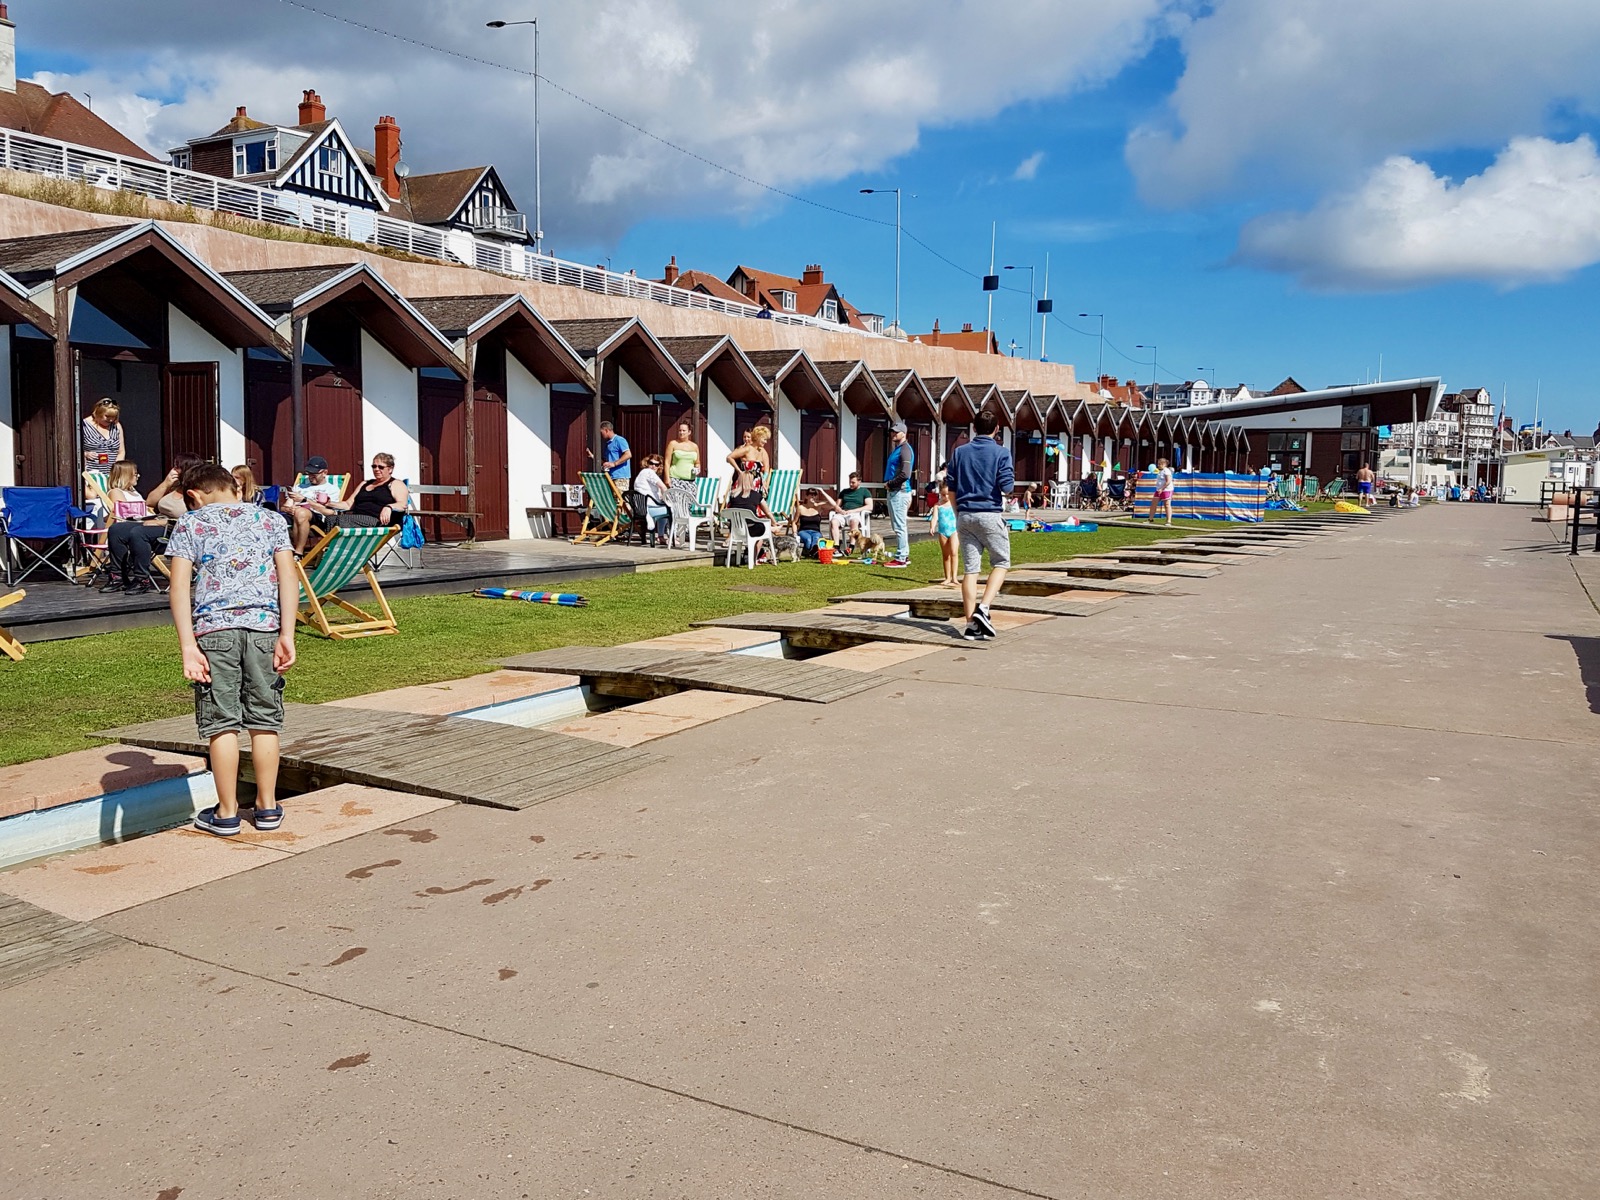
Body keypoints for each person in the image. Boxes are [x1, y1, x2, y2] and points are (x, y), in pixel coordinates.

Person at [165, 462, 297, 838]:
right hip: (264, 630)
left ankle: (226, 813)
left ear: (193, 495)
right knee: (264, 720)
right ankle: (267, 807)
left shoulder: (190, 523)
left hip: (214, 632)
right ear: (234, 488)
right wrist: (287, 633)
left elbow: (179, 588)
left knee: (222, 723)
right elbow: (288, 577)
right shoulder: (271, 519)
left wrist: (188, 646)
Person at [947, 408, 1014, 641]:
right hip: (989, 514)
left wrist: (958, 514)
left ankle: (970, 625)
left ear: (974, 428)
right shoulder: (1001, 452)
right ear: (997, 429)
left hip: (964, 515)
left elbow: (951, 488)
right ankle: (983, 609)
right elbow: (1007, 487)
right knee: (1002, 561)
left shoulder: (959, 452)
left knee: (970, 570)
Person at [100, 460, 183, 594]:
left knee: (138, 532)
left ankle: (141, 579)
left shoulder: (194, 490)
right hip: (140, 521)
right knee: (116, 529)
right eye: (135, 474)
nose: (138, 476)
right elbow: (132, 509)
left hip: (165, 525)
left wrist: (157, 519)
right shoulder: (118, 492)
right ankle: (117, 576)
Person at [329, 452, 409, 527]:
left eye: (381, 467)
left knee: (342, 520)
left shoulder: (395, 484)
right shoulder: (365, 483)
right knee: (329, 519)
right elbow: (348, 504)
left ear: (390, 469)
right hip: (356, 519)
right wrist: (328, 503)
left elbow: (402, 504)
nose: (376, 469)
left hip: (377, 521)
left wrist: (389, 507)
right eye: (374, 466)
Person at [282, 456, 343, 553]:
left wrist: (305, 500)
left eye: (314, 474)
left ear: (324, 473)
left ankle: (298, 552)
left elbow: (330, 512)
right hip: (293, 516)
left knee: (301, 512)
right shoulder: (300, 487)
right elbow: (285, 507)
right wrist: (289, 509)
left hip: (316, 519)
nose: (310, 477)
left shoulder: (332, 489)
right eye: (308, 473)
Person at [884, 420, 915, 567]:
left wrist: (890, 484)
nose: (893, 434)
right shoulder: (898, 449)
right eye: (892, 432)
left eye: (896, 432)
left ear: (904, 433)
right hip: (896, 492)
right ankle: (904, 555)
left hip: (899, 492)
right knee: (899, 525)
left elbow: (905, 474)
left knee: (899, 527)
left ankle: (901, 557)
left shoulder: (905, 450)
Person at [631, 454, 671, 547]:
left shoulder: (641, 474)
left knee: (665, 506)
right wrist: (668, 500)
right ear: (647, 463)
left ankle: (660, 536)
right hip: (649, 508)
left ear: (659, 466)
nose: (653, 466)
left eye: (656, 465)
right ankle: (669, 536)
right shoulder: (649, 472)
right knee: (670, 509)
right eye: (651, 463)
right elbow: (663, 487)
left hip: (639, 508)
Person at [726, 424, 772, 503]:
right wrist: (739, 471)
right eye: (764, 439)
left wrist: (763, 481)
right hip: (745, 482)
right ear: (758, 437)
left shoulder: (762, 451)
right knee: (743, 504)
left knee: (756, 505)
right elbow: (729, 457)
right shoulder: (747, 449)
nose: (766, 442)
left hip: (757, 483)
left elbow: (766, 469)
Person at [81, 398, 125, 475]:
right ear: (98, 412)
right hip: (91, 473)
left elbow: (121, 451)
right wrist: (85, 454)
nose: (110, 420)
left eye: (113, 417)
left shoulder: (116, 426)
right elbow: (74, 450)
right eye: (107, 416)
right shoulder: (84, 425)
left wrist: (117, 471)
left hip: (112, 474)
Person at [830, 471, 873, 543]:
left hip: (855, 514)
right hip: (843, 513)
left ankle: (851, 546)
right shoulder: (844, 492)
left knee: (854, 521)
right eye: (850, 482)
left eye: (853, 482)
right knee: (834, 521)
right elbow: (837, 506)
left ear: (859, 482)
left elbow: (870, 506)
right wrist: (840, 511)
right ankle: (836, 545)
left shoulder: (865, 491)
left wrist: (853, 511)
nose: (851, 484)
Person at [930, 480, 959, 587]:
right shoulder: (937, 506)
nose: (946, 497)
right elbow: (934, 518)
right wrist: (932, 527)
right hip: (943, 532)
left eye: (948, 494)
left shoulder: (954, 504)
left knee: (954, 552)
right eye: (943, 494)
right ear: (940, 493)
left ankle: (954, 577)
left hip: (954, 531)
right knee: (946, 555)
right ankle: (947, 577)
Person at [789, 488, 828, 556]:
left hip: (816, 531)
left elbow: (833, 504)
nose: (814, 497)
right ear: (806, 496)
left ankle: (810, 552)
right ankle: (813, 552)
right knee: (808, 539)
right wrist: (794, 533)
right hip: (803, 531)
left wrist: (823, 492)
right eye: (811, 495)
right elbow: (794, 522)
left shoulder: (819, 507)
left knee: (816, 538)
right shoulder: (800, 508)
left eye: (815, 495)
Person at [664, 421, 700, 487]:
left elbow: (697, 463)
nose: (681, 432)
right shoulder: (673, 444)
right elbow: (667, 462)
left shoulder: (695, 446)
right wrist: (667, 478)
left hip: (690, 481)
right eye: (680, 430)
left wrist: (697, 469)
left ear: (689, 432)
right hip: (675, 479)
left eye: (684, 430)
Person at [1152, 456, 1176, 526]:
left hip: (1167, 490)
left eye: (1160, 464)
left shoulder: (1167, 471)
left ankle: (1168, 521)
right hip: (1158, 490)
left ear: (1164, 464)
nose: (1159, 465)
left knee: (1167, 505)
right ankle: (1150, 519)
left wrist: (1162, 489)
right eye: (1158, 464)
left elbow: (1168, 481)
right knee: (1153, 503)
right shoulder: (1160, 471)